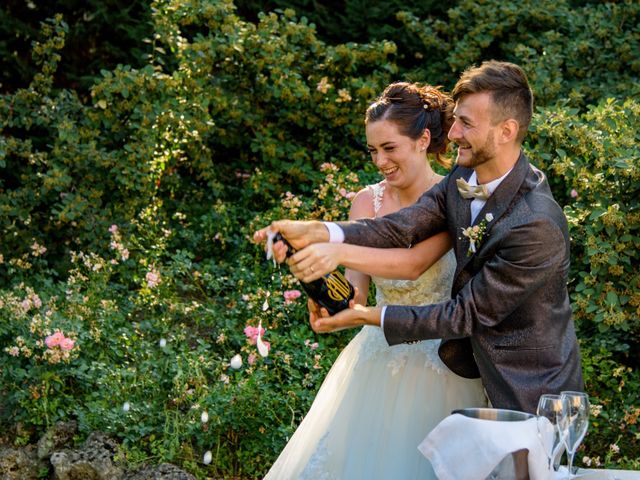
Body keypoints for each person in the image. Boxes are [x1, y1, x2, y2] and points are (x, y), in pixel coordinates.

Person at [256, 61, 584, 414]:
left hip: (528, 390)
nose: (453, 132)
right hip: (465, 367)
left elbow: (461, 314)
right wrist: (317, 231)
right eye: (456, 119)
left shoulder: (536, 223)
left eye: (466, 123)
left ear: (506, 131)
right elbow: (400, 227)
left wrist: (367, 315)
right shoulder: (463, 175)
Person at [262, 82, 486, 480]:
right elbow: (356, 293)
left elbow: (411, 264)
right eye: (372, 150)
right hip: (376, 353)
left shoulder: (452, 197)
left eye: (389, 148)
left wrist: (331, 248)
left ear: (422, 140)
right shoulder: (367, 202)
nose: (380, 160)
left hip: (440, 361)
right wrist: (319, 286)